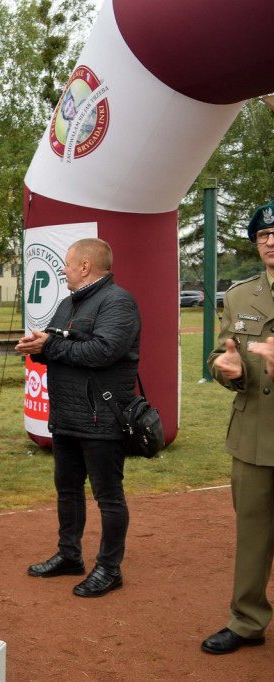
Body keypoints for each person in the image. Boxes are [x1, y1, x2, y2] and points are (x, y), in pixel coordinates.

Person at [16, 237, 140, 599]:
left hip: (102, 416)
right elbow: (58, 343)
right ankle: (69, 555)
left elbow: (104, 351)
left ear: (85, 267)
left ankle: (109, 568)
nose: (64, 270)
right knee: (67, 490)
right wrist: (37, 348)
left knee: (108, 496)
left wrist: (50, 345)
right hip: (67, 414)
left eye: (68, 264)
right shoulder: (68, 302)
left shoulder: (118, 301)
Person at [200, 199, 274, 655]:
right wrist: (226, 369)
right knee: (253, 535)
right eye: (264, 235)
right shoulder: (240, 296)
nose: (271, 241)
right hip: (254, 437)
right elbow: (222, 353)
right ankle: (247, 621)